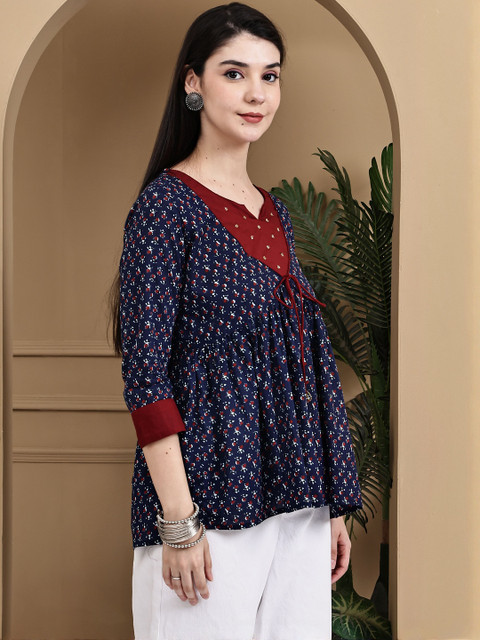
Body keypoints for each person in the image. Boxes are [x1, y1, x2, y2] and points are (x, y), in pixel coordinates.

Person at [110, 3, 362, 639]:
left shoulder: (274, 212)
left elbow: (305, 364)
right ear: (193, 82)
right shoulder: (165, 208)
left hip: (299, 503)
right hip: (209, 503)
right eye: (235, 73)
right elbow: (146, 375)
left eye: (270, 76)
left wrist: (332, 503)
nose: (257, 94)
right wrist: (179, 522)